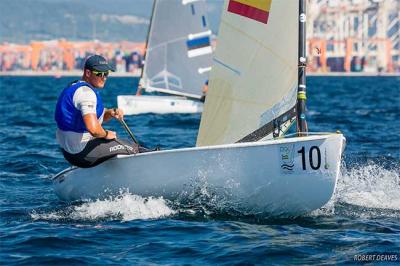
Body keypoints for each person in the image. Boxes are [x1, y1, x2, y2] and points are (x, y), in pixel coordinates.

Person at [55, 54, 141, 168]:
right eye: (99, 73)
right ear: (88, 73)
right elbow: (94, 130)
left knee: (116, 145)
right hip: (81, 153)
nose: (104, 77)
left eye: (106, 73)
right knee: (134, 147)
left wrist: (109, 113)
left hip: (69, 153)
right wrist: (106, 134)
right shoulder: (86, 94)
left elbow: (89, 119)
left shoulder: (75, 87)